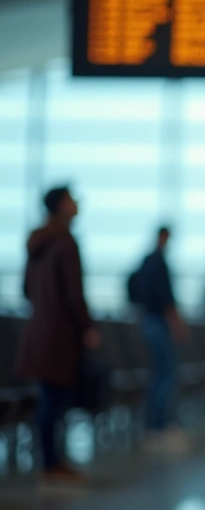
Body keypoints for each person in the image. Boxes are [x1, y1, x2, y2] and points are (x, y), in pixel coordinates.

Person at [15, 186, 100, 482]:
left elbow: (25, 289)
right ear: (62, 205)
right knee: (56, 400)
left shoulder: (36, 242)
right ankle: (52, 464)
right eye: (72, 199)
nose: (77, 203)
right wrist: (87, 327)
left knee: (48, 398)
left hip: (38, 331)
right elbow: (74, 294)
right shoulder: (65, 242)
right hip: (59, 335)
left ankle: (49, 461)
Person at [132, 226, 190, 451]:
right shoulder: (158, 263)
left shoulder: (145, 262)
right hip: (158, 323)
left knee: (159, 375)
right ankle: (159, 427)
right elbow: (165, 297)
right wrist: (175, 323)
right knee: (166, 375)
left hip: (148, 321)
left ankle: (154, 427)